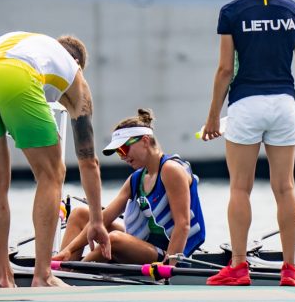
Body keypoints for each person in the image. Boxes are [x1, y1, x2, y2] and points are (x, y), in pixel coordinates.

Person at [200, 0, 295, 287]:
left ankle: (238, 267)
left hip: (246, 105)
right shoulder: (294, 11)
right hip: (283, 104)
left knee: (240, 187)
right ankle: (290, 269)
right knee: (285, 187)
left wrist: (211, 117)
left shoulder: (231, 12)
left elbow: (223, 71)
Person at [0, 32, 110, 288]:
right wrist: (97, 221)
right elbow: (88, 161)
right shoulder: (75, 75)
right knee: (52, 174)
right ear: (76, 61)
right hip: (17, 76)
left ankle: (3, 277)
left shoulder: (37, 47)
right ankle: (43, 276)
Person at [53, 108, 206, 265]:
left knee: (114, 239)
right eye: (118, 152)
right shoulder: (136, 178)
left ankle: (71, 271)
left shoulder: (171, 170)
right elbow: (105, 217)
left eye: (124, 149)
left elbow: (183, 225)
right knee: (80, 214)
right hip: (143, 244)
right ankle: (64, 259)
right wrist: (70, 249)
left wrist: (169, 267)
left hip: (170, 253)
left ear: (145, 141)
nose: (122, 157)